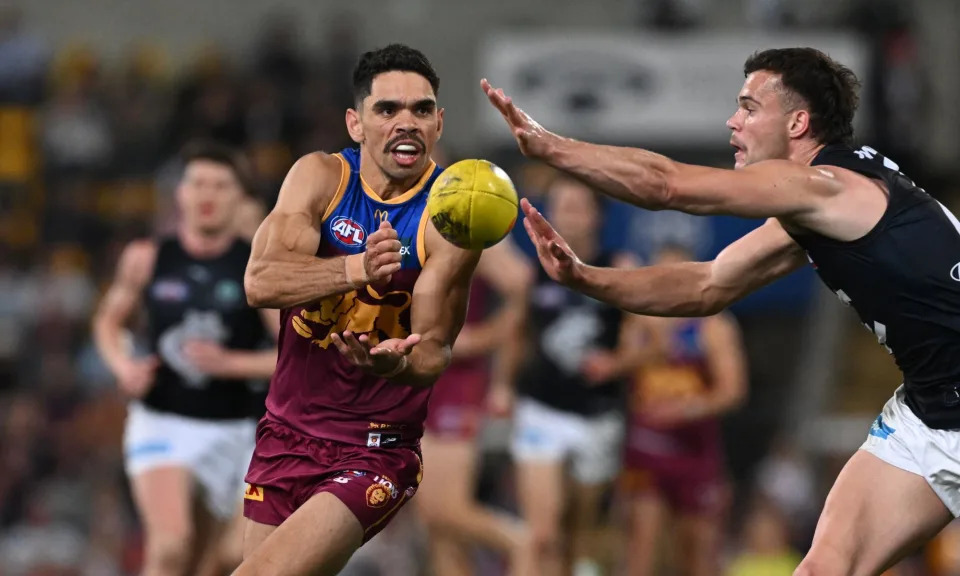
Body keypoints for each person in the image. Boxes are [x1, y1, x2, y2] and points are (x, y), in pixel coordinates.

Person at [483, 46, 960, 575]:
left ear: (798, 122)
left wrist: (552, 149)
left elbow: (668, 185)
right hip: (929, 413)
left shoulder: (825, 186)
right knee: (824, 568)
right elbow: (707, 285)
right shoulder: (812, 210)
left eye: (750, 107)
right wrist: (586, 278)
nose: (733, 120)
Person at [235, 44, 482, 576]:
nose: (405, 122)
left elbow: (436, 351)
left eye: (421, 110)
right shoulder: (320, 178)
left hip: (375, 448)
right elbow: (259, 282)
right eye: (387, 109)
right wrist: (353, 270)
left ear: (439, 124)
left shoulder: (449, 218)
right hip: (284, 431)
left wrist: (397, 366)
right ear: (356, 123)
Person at [92, 141, 280, 576]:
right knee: (171, 548)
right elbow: (107, 322)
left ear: (239, 199)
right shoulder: (146, 258)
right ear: (180, 193)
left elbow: (295, 356)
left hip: (236, 433)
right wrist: (124, 366)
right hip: (163, 421)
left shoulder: (257, 269)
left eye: (220, 185)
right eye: (197, 183)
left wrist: (230, 364)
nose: (207, 195)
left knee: (220, 561)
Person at [508, 175, 642, 576]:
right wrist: (500, 388)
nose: (565, 213)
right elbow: (517, 334)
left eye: (576, 205)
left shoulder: (620, 268)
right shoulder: (532, 272)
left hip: (598, 415)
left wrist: (616, 362)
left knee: (582, 530)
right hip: (542, 408)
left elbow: (649, 343)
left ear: (596, 216)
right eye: (560, 204)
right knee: (544, 533)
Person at [621, 244, 748, 576]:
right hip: (646, 450)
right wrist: (651, 341)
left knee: (696, 555)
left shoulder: (713, 325)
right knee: (641, 546)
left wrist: (689, 409)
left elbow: (733, 391)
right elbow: (621, 365)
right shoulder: (637, 320)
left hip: (695, 454)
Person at [414, 236, 535, 576]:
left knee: (447, 509)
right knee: (434, 523)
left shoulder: (463, 222)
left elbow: (520, 281)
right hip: (420, 378)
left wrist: (489, 342)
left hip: (457, 382)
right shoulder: (410, 215)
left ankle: (518, 541)